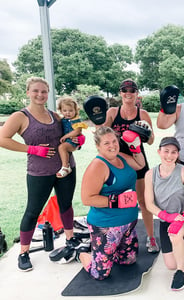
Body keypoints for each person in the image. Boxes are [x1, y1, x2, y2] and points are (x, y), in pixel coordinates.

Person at [0, 77, 80, 271]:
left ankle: (70, 240)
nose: (40, 95)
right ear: (28, 92)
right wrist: (32, 149)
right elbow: (3, 139)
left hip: (66, 168)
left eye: (44, 91)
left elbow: (74, 132)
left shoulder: (55, 115)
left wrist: (76, 142)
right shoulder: (20, 116)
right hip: (39, 172)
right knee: (33, 211)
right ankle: (23, 253)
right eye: (35, 91)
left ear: (48, 93)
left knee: (66, 205)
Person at [78, 126, 145, 280]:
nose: (112, 145)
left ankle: (109, 253)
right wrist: (116, 201)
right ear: (98, 146)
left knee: (128, 261)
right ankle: (81, 253)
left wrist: (135, 147)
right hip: (106, 226)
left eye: (114, 141)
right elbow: (87, 198)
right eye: (106, 143)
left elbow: (140, 164)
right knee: (100, 274)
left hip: (129, 223)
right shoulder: (98, 166)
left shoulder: (120, 156)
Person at [102, 79, 159, 253]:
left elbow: (151, 141)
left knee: (143, 200)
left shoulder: (143, 114)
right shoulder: (113, 112)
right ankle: (120, 238)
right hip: (116, 162)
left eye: (132, 90)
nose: (128, 93)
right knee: (120, 201)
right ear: (120, 93)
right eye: (124, 90)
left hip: (138, 161)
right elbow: (102, 135)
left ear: (136, 93)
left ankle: (151, 238)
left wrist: (144, 132)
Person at [144, 137, 184, 291]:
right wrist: (167, 217)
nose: (169, 155)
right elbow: (149, 204)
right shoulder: (150, 174)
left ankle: (181, 272)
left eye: (174, 152)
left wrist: (181, 218)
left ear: (178, 154)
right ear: (159, 152)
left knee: (175, 235)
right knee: (169, 264)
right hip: (166, 219)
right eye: (166, 151)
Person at [56, 96, 88, 178]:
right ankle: (66, 166)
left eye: (70, 110)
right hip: (68, 141)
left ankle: (65, 167)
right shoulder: (63, 119)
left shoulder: (76, 120)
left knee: (62, 147)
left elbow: (77, 131)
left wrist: (66, 136)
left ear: (75, 110)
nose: (68, 113)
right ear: (61, 110)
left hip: (72, 142)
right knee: (62, 148)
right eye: (65, 110)